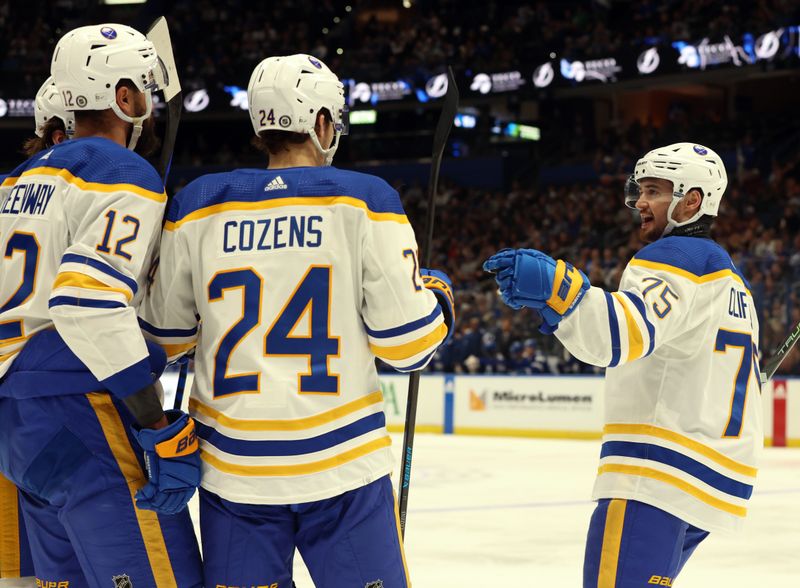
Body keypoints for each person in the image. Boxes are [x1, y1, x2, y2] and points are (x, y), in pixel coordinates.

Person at [140, 53, 455, 588]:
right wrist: (440, 295)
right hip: (345, 468)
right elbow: (409, 346)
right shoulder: (365, 199)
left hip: (235, 474)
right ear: (323, 123)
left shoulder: (197, 203)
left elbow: (164, 338)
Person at [484, 143, 761, 587]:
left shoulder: (678, 258)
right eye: (642, 190)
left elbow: (620, 335)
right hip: (707, 482)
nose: (641, 203)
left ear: (692, 201)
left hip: (657, 477)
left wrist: (560, 290)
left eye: (655, 190)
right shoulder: (733, 282)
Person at [0, 24, 202, 587]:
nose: (151, 105)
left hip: (16, 424)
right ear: (122, 95)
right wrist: (154, 419)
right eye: (145, 90)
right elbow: (86, 303)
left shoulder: (16, 181)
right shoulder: (120, 172)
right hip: (78, 409)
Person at [0, 76, 73, 587]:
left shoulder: (10, 190)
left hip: (10, 405)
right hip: (55, 401)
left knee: (25, 574)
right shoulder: (90, 192)